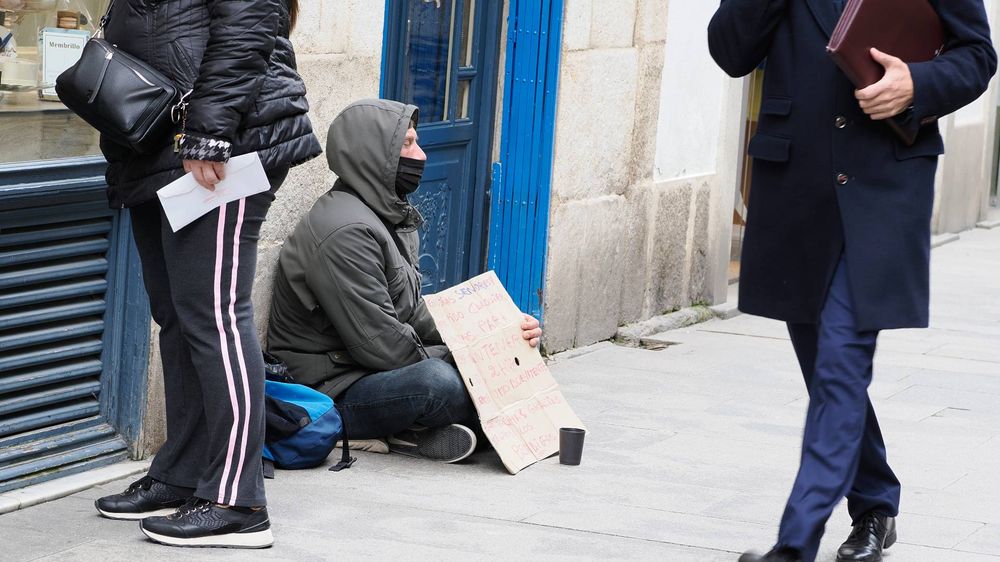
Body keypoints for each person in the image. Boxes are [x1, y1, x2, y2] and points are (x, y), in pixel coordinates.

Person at [708, 2, 996, 562]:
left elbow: (978, 56)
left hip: (882, 184)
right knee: (827, 367)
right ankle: (875, 501)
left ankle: (795, 545)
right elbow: (730, 51)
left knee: (840, 361)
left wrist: (917, 82)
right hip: (795, 187)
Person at [89, 0, 322, 549]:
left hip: (221, 144)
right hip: (154, 140)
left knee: (216, 317)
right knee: (178, 316)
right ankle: (183, 473)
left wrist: (210, 129)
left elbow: (249, 23)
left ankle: (238, 501)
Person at [267, 99, 543, 464]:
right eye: (408, 143)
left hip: (372, 371)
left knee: (512, 358)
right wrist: (462, 356)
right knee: (441, 383)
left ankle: (416, 431)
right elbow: (380, 346)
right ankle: (391, 430)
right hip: (332, 388)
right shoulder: (344, 231)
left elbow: (412, 310)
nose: (422, 155)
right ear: (373, 154)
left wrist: (493, 336)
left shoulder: (386, 215)